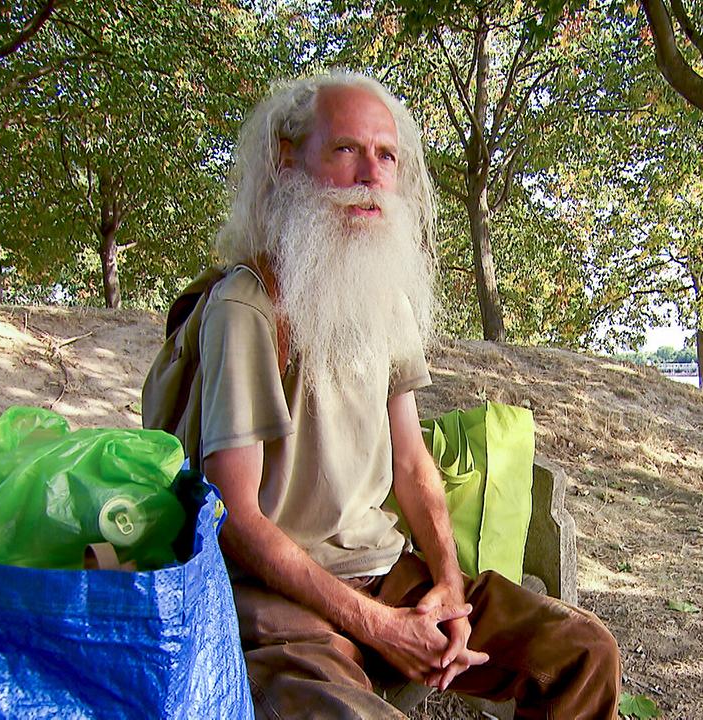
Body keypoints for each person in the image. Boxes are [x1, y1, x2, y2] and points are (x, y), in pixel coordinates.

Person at [197, 71, 620, 719]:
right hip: (275, 595)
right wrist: (375, 626)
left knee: (582, 650)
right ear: (287, 161)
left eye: (386, 155)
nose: (371, 172)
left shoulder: (381, 296)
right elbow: (235, 517)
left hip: (385, 571)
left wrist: (448, 586)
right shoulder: (246, 308)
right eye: (345, 150)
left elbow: (412, 464)